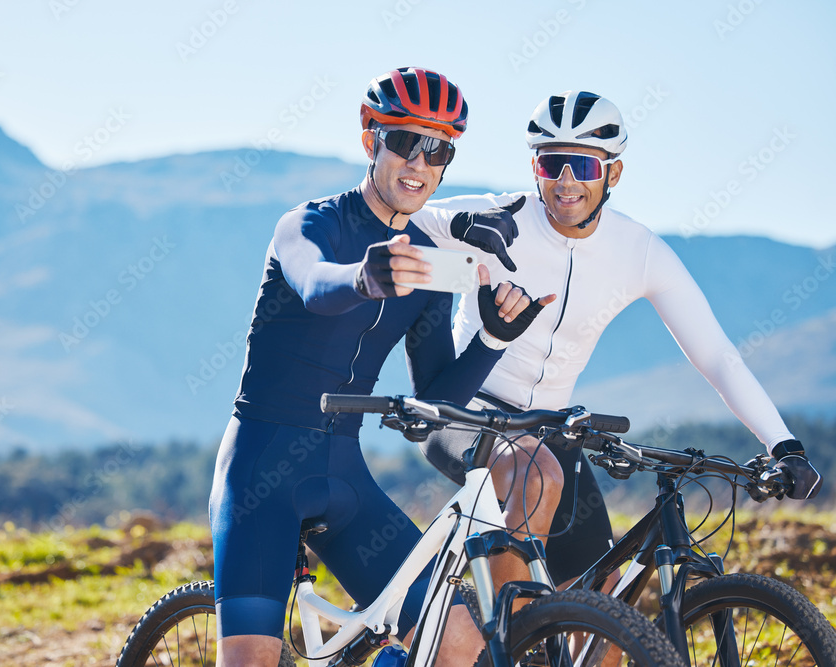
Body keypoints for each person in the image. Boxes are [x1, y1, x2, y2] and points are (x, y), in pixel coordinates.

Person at [410, 89, 823, 594]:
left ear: (613, 174)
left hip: (551, 429)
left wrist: (783, 443)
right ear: (534, 168)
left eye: (582, 166)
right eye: (551, 164)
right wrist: (450, 239)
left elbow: (716, 355)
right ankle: (508, 636)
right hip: (466, 412)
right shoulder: (496, 217)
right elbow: (387, 216)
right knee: (532, 478)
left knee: (602, 611)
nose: (565, 182)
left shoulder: (638, 250)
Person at [208, 67, 554, 666]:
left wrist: (492, 340)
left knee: (462, 652)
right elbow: (317, 286)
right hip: (261, 472)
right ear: (371, 138)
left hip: (345, 477)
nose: (419, 163)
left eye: (438, 149)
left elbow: (436, 403)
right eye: (403, 142)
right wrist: (363, 278)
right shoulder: (310, 224)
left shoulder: (430, 264)